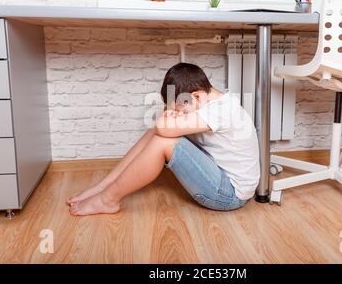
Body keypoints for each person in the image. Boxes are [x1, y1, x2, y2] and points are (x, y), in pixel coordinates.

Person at [68, 62, 260, 216]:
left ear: (197, 96)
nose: (177, 114)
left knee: (164, 139)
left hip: (229, 195)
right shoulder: (206, 103)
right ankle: (104, 187)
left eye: (180, 110)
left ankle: (107, 200)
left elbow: (163, 127)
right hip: (218, 177)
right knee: (159, 132)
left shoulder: (222, 110)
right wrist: (173, 112)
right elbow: (160, 127)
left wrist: (169, 116)